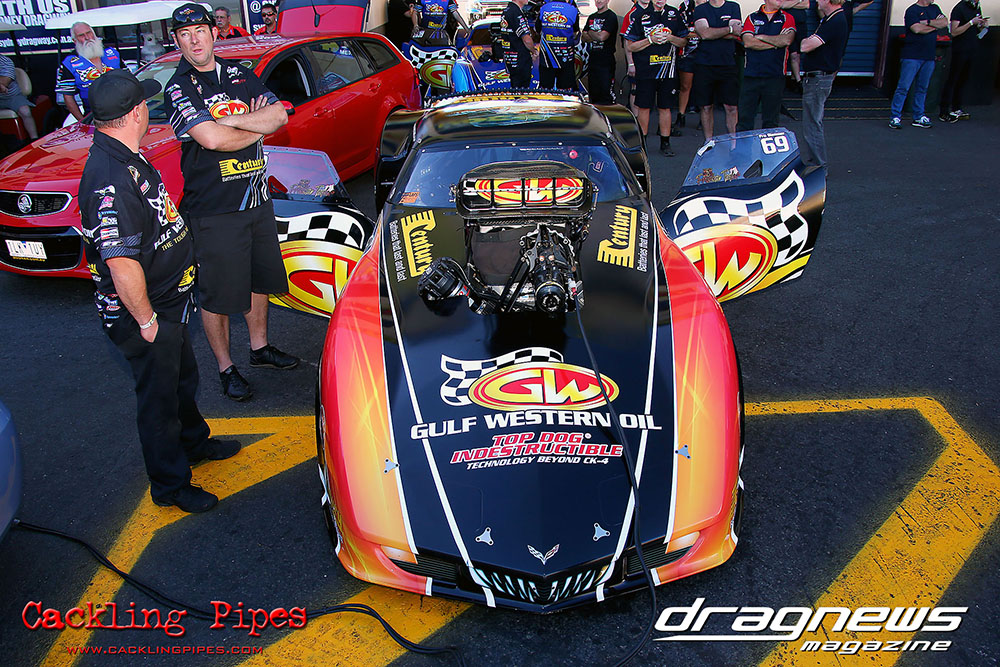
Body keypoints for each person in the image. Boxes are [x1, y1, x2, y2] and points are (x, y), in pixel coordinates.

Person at [80, 70, 241, 513]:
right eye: (145, 104)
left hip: (167, 303)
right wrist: (147, 321)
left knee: (181, 379)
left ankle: (194, 443)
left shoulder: (123, 153)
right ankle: (170, 485)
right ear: (136, 112)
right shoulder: (110, 177)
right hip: (146, 313)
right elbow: (120, 261)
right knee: (158, 400)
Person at [164, 3, 298, 402]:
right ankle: (226, 367)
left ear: (213, 32)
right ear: (177, 41)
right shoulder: (179, 87)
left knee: (259, 280)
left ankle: (259, 348)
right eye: (185, 34)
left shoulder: (239, 72)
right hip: (215, 209)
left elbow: (279, 116)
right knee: (217, 294)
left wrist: (229, 121)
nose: (194, 40)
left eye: (200, 31)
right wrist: (253, 127)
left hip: (256, 200)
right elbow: (210, 139)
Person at [626, 0, 688, 156]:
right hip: (646, 71)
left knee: (665, 107)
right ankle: (642, 146)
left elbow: (683, 41)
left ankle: (665, 143)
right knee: (644, 107)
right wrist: (650, 40)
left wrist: (670, 38)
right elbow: (630, 46)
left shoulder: (674, 14)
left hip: (668, 70)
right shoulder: (640, 15)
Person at [798, 0, 848, 167]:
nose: (817, 1)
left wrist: (804, 40)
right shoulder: (830, 19)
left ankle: (818, 167)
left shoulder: (835, 21)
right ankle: (815, 163)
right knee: (812, 123)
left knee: (812, 125)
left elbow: (806, 46)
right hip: (819, 78)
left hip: (818, 80)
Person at [888, 0, 947, 129]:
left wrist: (927, 22)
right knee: (903, 87)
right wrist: (935, 26)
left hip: (929, 56)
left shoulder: (935, 8)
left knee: (922, 88)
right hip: (912, 56)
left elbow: (944, 22)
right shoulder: (912, 10)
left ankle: (918, 116)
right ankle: (895, 117)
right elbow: (916, 29)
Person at [738, 0, 795, 131]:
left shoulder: (787, 18)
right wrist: (775, 43)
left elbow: (786, 40)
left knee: (771, 122)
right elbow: (748, 42)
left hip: (775, 76)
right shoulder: (752, 17)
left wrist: (760, 36)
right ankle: (744, 145)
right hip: (751, 76)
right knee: (744, 121)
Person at [691, 0, 742, 141]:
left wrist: (713, 31)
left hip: (728, 64)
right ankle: (709, 143)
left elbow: (737, 33)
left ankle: (734, 143)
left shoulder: (733, 7)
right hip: (704, 65)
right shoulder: (701, 9)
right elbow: (704, 34)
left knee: (731, 107)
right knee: (706, 107)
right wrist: (729, 29)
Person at [55, 22, 122, 123]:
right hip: (94, 115)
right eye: (81, 35)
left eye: (89, 33)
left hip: (122, 108)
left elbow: (129, 80)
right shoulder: (70, 63)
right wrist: (83, 121)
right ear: (74, 40)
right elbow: (68, 96)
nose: (87, 37)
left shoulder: (112, 53)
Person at [939, 0, 988, 122]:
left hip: (972, 47)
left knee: (963, 80)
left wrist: (982, 25)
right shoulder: (959, 8)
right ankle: (944, 111)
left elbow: (978, 31)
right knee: (953, 79)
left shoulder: (976, 7)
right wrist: (970, 23)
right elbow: (954, 32)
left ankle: (957, 108)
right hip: (960, 49)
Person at [536, 0, 580, 90]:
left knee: (546, 90)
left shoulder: (544, 8)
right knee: (565, 91)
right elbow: (575, 32)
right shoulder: (573, 10)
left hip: (547, 58)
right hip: (565, 57)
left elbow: (537, 30)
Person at [675, 0, 705, 131]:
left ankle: (704, 119)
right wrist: (703, 33)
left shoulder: (712, 5)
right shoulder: (685, 6)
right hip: (687, 53)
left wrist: (702, 32)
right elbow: (681, 30)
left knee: (704, 87)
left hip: (707, 53)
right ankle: (681, 116)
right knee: (685, 86)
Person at [582, 0, 619, 103]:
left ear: (607, 1)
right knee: (593, 96)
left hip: (606, 63)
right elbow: (583, 37)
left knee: (606, 96)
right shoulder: (591, 17)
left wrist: (590, 32)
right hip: (593, 61)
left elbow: (602, 37)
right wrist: (596, 34)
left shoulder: (611, 16)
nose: (599, 1)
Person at [620, 0, 650, 113]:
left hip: (653, 58)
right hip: (637, 58)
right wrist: (631, 63)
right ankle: (636, 118)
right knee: (635, 88)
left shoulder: (655, 10)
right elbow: (626, 41)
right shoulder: (631, 14)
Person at [500, 0, 537, 88]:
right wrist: (534, 51)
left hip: (510, 57)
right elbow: (526, 39)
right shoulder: (516, 13)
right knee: (522, 89)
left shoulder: (506, 11)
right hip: (520, 58)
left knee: (515, 87)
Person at [0, 54, 38, 140]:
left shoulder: (6, 62)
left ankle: (34, 139)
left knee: (25, 111)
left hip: (11, 96)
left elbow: (4, 82)